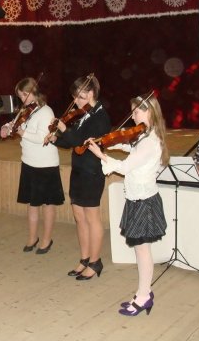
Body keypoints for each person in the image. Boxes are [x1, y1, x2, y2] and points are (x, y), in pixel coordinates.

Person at [88, 93, 169, 317]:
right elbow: (132, 147)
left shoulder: (150, 142)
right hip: (137, 198)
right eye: (133, 111)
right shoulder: (145, 135)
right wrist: (113, 141)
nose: (133, 116)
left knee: (143, 251)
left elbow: (124, 167)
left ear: (150, 112)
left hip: (144, 201)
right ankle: (144, 293)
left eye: (137, 111)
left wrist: (101, 154)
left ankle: (144, 296)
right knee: (140, 250)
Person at [46, 74, 111, 279]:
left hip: (92, 171)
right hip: (79, 170)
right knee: (79, 217)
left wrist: (64, 128)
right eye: (74, 97)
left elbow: (80, 141)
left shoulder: (100, 116)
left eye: (80, 96)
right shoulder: (84, 114)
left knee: (92, 218)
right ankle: (84, 259)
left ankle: (95, 262)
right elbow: (70, 141)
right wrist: (55, 139)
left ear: (91, 94)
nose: (76, 101)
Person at [0, 77, 65, 254]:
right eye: (20, 96)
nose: (22, 99)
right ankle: (32, 237)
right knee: (32, 203)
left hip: (45, 164)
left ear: (34, 92)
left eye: (24, 95)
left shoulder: (46, 112)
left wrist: (23, 133)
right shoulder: (28, 110)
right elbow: (15, 122)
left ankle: (46, 239)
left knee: (48, 204)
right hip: (29, 162)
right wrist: (6, 127)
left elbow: (42, 138)